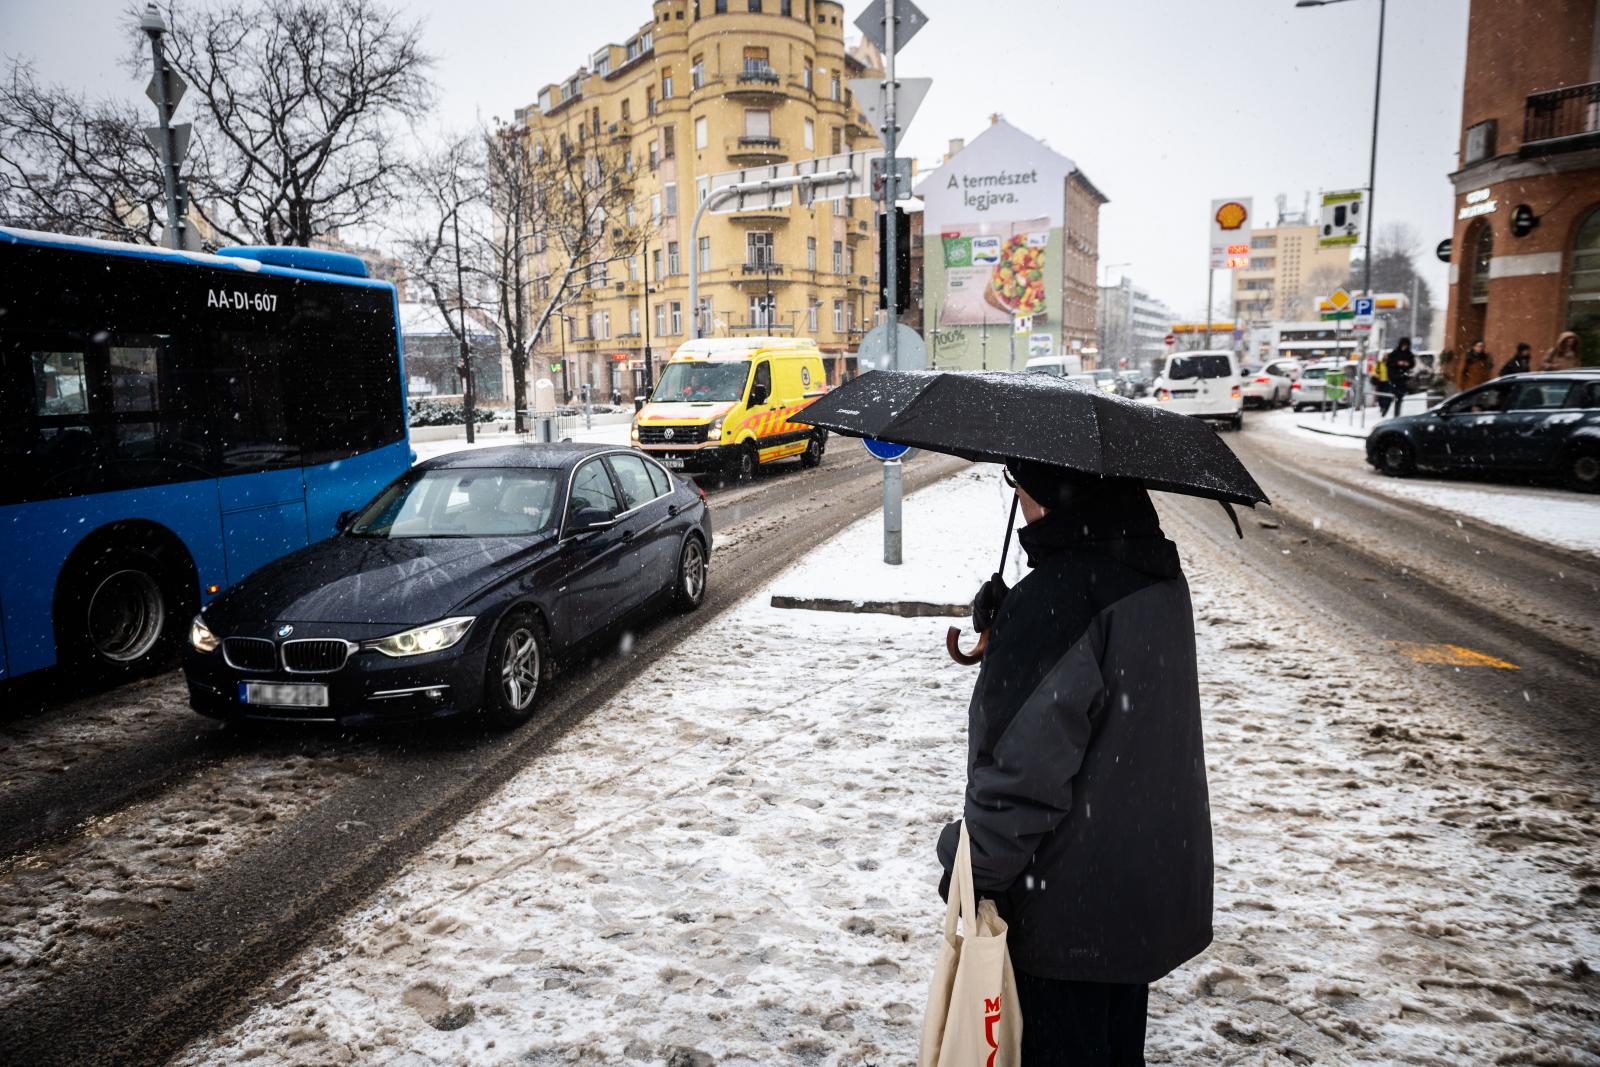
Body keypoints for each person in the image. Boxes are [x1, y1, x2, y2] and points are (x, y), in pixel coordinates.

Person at [937, 460, 1212, 1066]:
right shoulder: (1150, 573)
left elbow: (1022, 778)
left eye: (1023, 488)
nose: (1023, 506)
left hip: (1065, 913)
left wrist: (970, 870)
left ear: (1059, 497)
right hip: (1131, 896)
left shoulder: (1060, 599)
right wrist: (1016, 621)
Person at [1385, 337, 1417, 416]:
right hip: (1394, 377)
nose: (1404, 347)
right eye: (1403, 345)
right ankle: (1389, 411)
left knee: (1400, 397)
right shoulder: (1394, 353)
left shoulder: (1409, 354)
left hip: (1403, 378)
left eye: (1406, 346)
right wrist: (1397, 363)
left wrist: (1407, 364)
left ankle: (1397, 413)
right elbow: (1389, 363)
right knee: (1392, 396)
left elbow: (1412, 363)